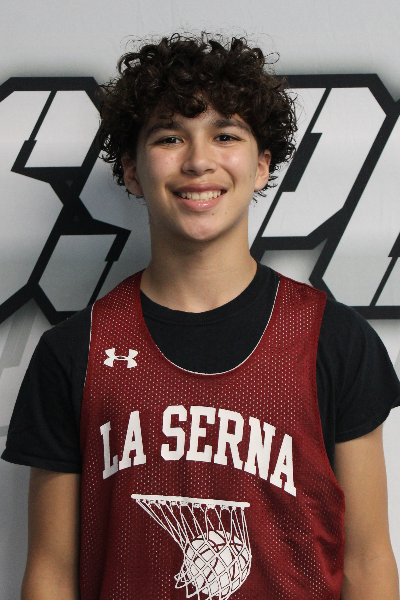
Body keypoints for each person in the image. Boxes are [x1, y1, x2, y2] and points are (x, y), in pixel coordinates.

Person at [2, 33, 400, 600]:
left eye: (225, 135)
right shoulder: (75, 351)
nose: (198, 161)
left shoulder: (334, 340)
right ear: (132, 171)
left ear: (261, 166)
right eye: (169, 137)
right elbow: (50, 572)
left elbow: (368, 561)